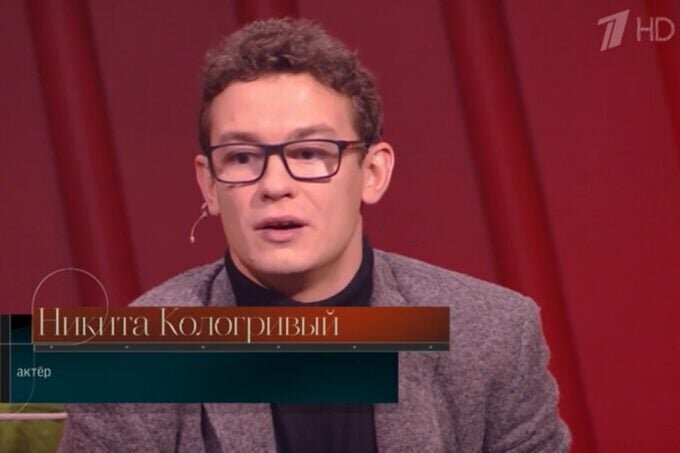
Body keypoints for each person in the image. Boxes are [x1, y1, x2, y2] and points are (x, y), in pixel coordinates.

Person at [58, 18, 570, 452]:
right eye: (241, 157)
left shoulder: (495, 335)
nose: (274, 185)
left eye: (309, 153)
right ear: (209, 185)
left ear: (373, 173)